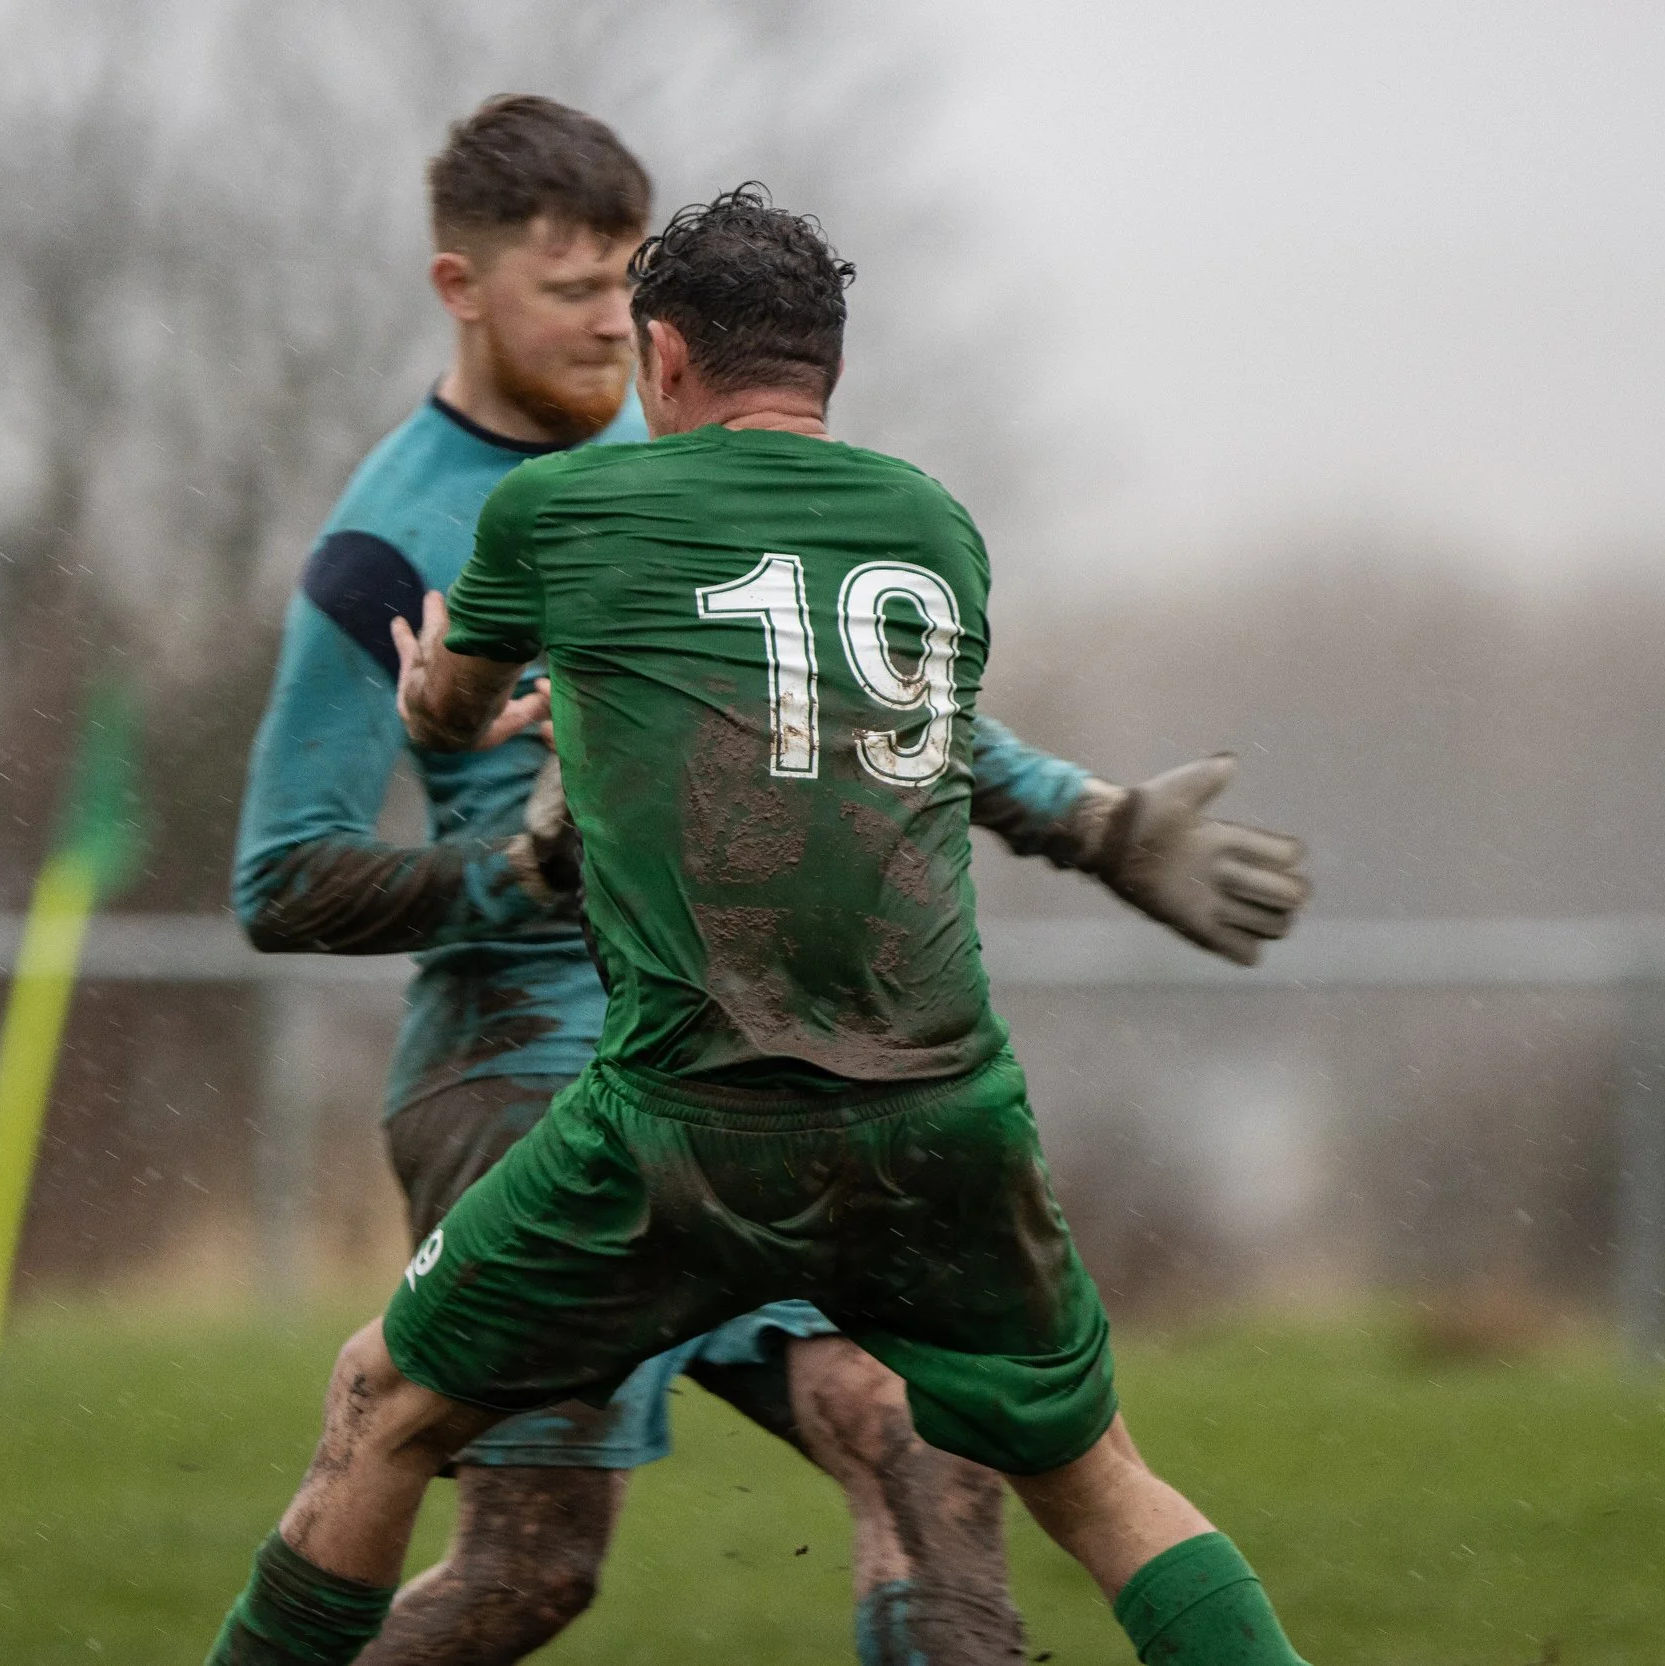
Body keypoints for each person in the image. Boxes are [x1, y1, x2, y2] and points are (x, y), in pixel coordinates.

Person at [229, 105, 1309, 1666]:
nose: (605, 321)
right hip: (531, 1072)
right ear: (459, 287)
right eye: (567, 287)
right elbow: (283, 882)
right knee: (529, 1570)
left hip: (759, 1057)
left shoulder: (648, 469)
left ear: (665, 339)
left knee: (925, 1455)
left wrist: (1095, 821)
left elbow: (853, 712)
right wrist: (520, 871)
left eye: (622, 284)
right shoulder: (384, 550)